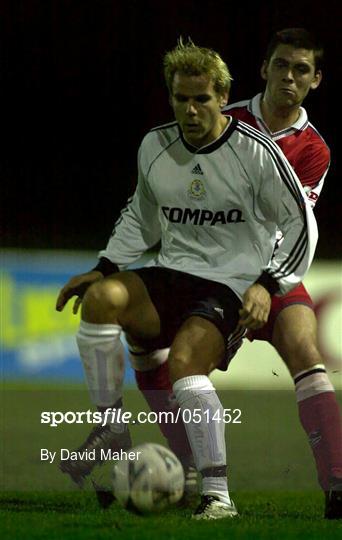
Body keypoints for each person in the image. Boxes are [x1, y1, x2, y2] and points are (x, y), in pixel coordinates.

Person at [56, 37, 318, 520]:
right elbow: (141, 216)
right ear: (171, 97)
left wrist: (268, 283)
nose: (191, 109)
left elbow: (302, 224)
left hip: (230, 284)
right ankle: (111, 427)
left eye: (202, 98)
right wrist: (103, 267)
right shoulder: (155, 144)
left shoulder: (256, 152)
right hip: (171, 273)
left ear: (223, 97)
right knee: (100, 301)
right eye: (182, 98)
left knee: (183, 363)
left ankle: (217, 494)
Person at [129, 28, 342, 519]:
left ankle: (335, 485)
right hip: (209, 275)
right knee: (164, 357)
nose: (290, 76)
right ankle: (185, 470)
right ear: (264, 69)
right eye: (281, 65)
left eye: (301, 69)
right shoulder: (224, 117)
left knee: (306, 350)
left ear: (316, 80)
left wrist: (269, 284)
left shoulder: (314, 150)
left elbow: (295, 227)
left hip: (271, 277)